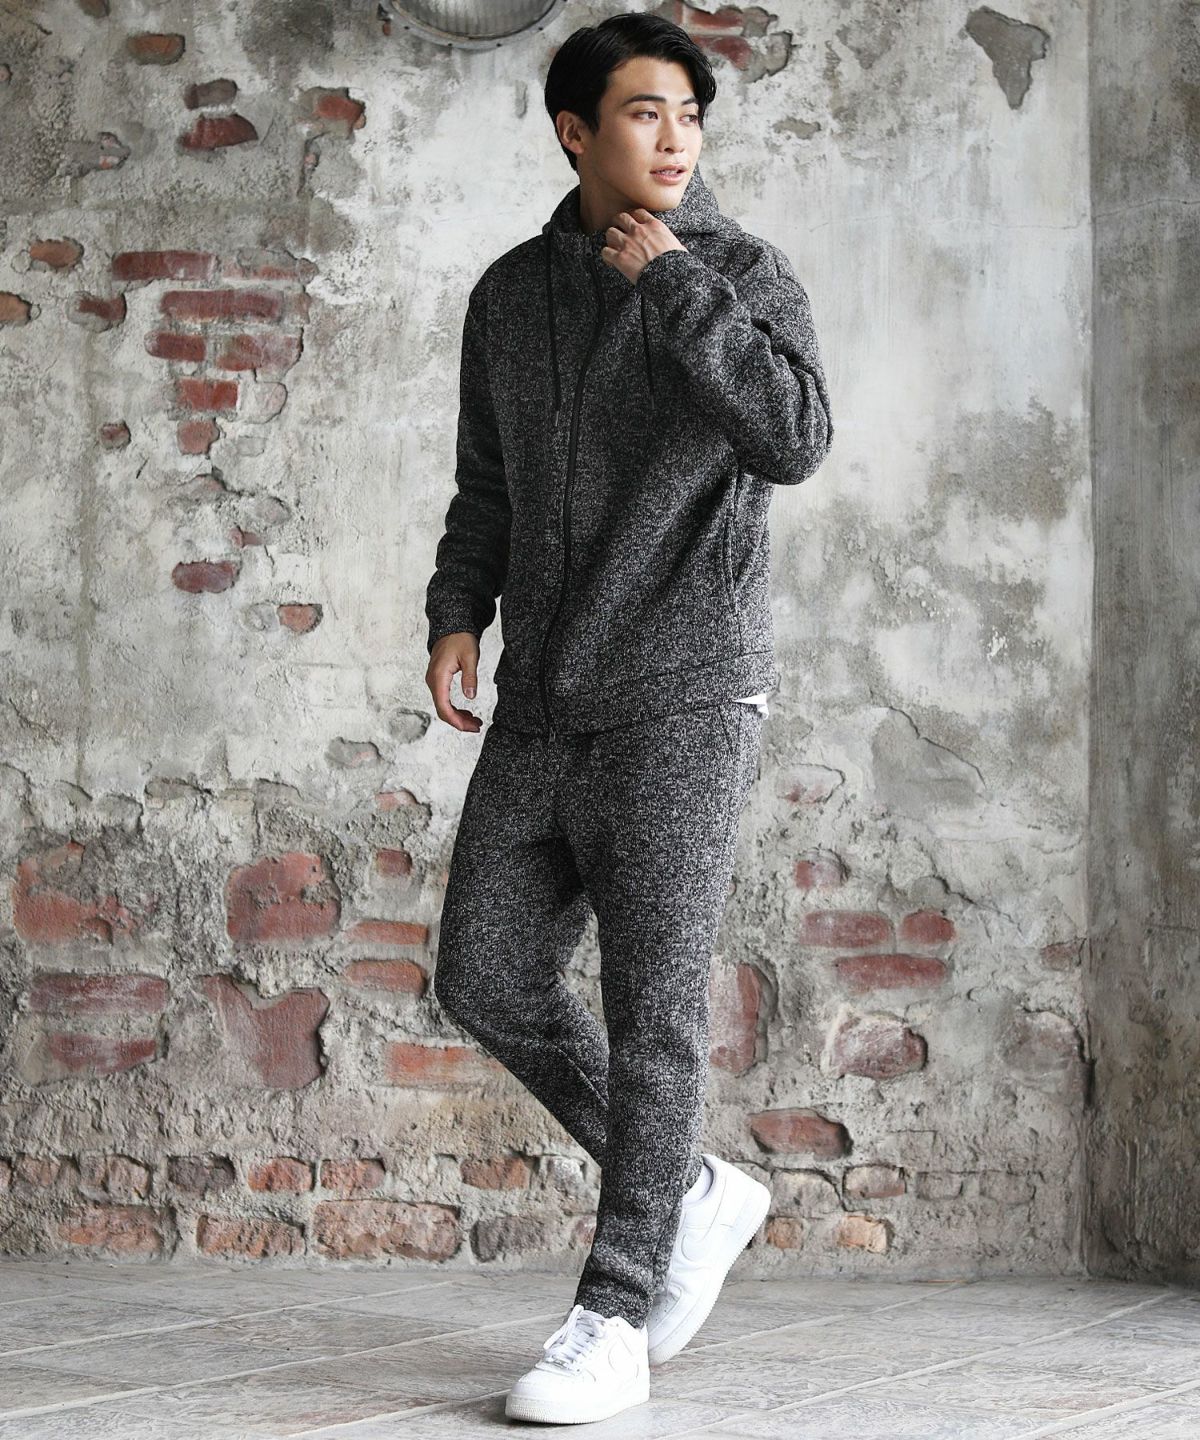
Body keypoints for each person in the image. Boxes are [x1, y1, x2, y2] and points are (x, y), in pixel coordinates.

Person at [423, 11, 833, 1426]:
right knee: (483, 974)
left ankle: (612, 1315)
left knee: (653, 1014)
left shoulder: (741, 277)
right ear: (576, 132)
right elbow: (486, 482)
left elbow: (793, 437)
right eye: (646, 112)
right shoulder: (510, 297)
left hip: (683, 692)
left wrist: (676, 291)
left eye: (690, 116)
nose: (674, 138)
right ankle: (693, 1190)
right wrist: (457, 611)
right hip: (543, 693)